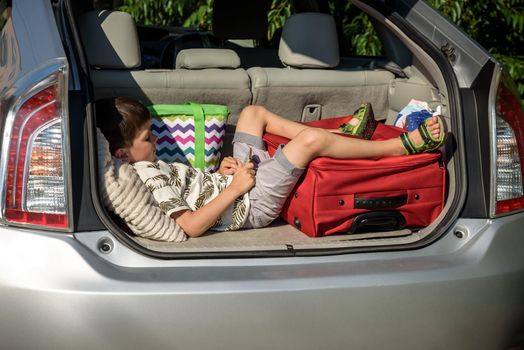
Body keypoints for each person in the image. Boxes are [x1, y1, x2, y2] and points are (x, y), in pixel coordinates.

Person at [96, 97, 445, 238]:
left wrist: (221, 175)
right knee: (309, 145)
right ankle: (397, 146)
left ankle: (340, 135)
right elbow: (189, 225)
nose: (155, 140)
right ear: (123, 154)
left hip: (237, 183)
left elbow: (192, 189)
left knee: (252, 113)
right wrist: (234, 189)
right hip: (251, 204)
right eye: (147, 137)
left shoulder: (146, 165)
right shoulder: (146, 175)